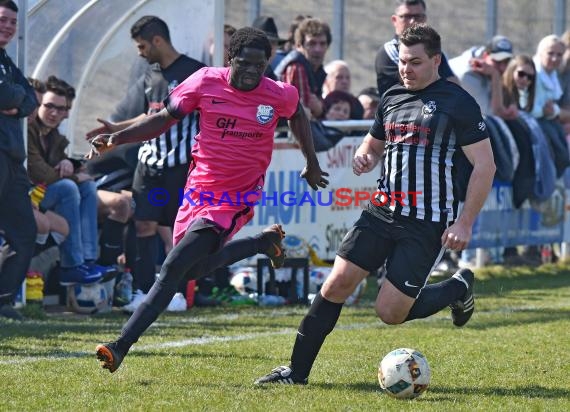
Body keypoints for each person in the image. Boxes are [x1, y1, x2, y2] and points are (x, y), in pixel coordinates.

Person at [255, 23, 495, 385]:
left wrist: (464, 223)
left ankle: (458, 287)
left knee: (390, 312)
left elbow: (485, 165)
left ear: (436, 60)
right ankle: (296, 373)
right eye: (402, 61)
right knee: (335, 284)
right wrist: (365, 157)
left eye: (415, 62)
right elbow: (372, 144)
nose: (406, 69)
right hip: (381, 211)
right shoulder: (392, 98)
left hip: (426, 222)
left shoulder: (458, 102)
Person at [92, 27, 328, 372]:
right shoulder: (204, 81)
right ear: (230, 59)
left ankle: (120, 345)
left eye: (259, 66)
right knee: (193, 270)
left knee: (173, 267)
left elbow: (297, 115)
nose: (251, 72)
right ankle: (262, 243)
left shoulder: (278, 93)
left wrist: (311, 161)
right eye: (245, 63)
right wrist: (118, 137)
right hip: (198, 190)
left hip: (237, 196)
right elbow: (161, 119)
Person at [86, 16, 206, 313]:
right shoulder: (150, 75)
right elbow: (150, 116)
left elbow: (183, 116)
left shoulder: (195, 73)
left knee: (178, 232)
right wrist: (116, 128)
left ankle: (176, 293)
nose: (140, 52)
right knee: (143, 225)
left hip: (180, 166)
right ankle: (142, 292)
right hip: (148, 164)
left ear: (157, 41)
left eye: (142, 46)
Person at [27, 76, 114, 285]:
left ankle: (87, 260)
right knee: (68, 187)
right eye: (48, 106)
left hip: (39, 194)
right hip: (26, 195)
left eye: (61, 108)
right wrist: (73, 174)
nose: (55, 113)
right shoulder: (27, 128)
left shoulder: (52, 135)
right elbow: (40, 172)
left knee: (87, 186)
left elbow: (60, 166)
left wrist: (70, 165)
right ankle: (71, 265)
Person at [0, 0, 39, 320]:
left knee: (23, 232)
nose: (8, 27)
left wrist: (15, 100)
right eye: (3, 20)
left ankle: (2, 302)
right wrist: (14, 99)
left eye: (13, 22)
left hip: (13, 162)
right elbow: (10, 97)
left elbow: (29, 100)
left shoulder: (6, 63)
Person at [375, 0, 458, 97]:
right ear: (394, 20)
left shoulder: (432, 50)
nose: (413, 21)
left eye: (418, 16)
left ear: (425, 19)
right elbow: (418, 86)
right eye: (406, 16)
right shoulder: (389, 52)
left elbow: (454, 86)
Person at [275, 17, 331, 119]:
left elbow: (316, 109)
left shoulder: (317, 70)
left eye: (322, 43)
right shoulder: (297, 67)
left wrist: (320, 108)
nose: (318, 49)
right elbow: (299, 113)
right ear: (300, 45)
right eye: (312, 43)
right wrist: (318, 110)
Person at [252, 16, 286, 80]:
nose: (270, 48)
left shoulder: (272, 77)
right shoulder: (240, 73)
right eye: (265, 42)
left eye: (273, 43)